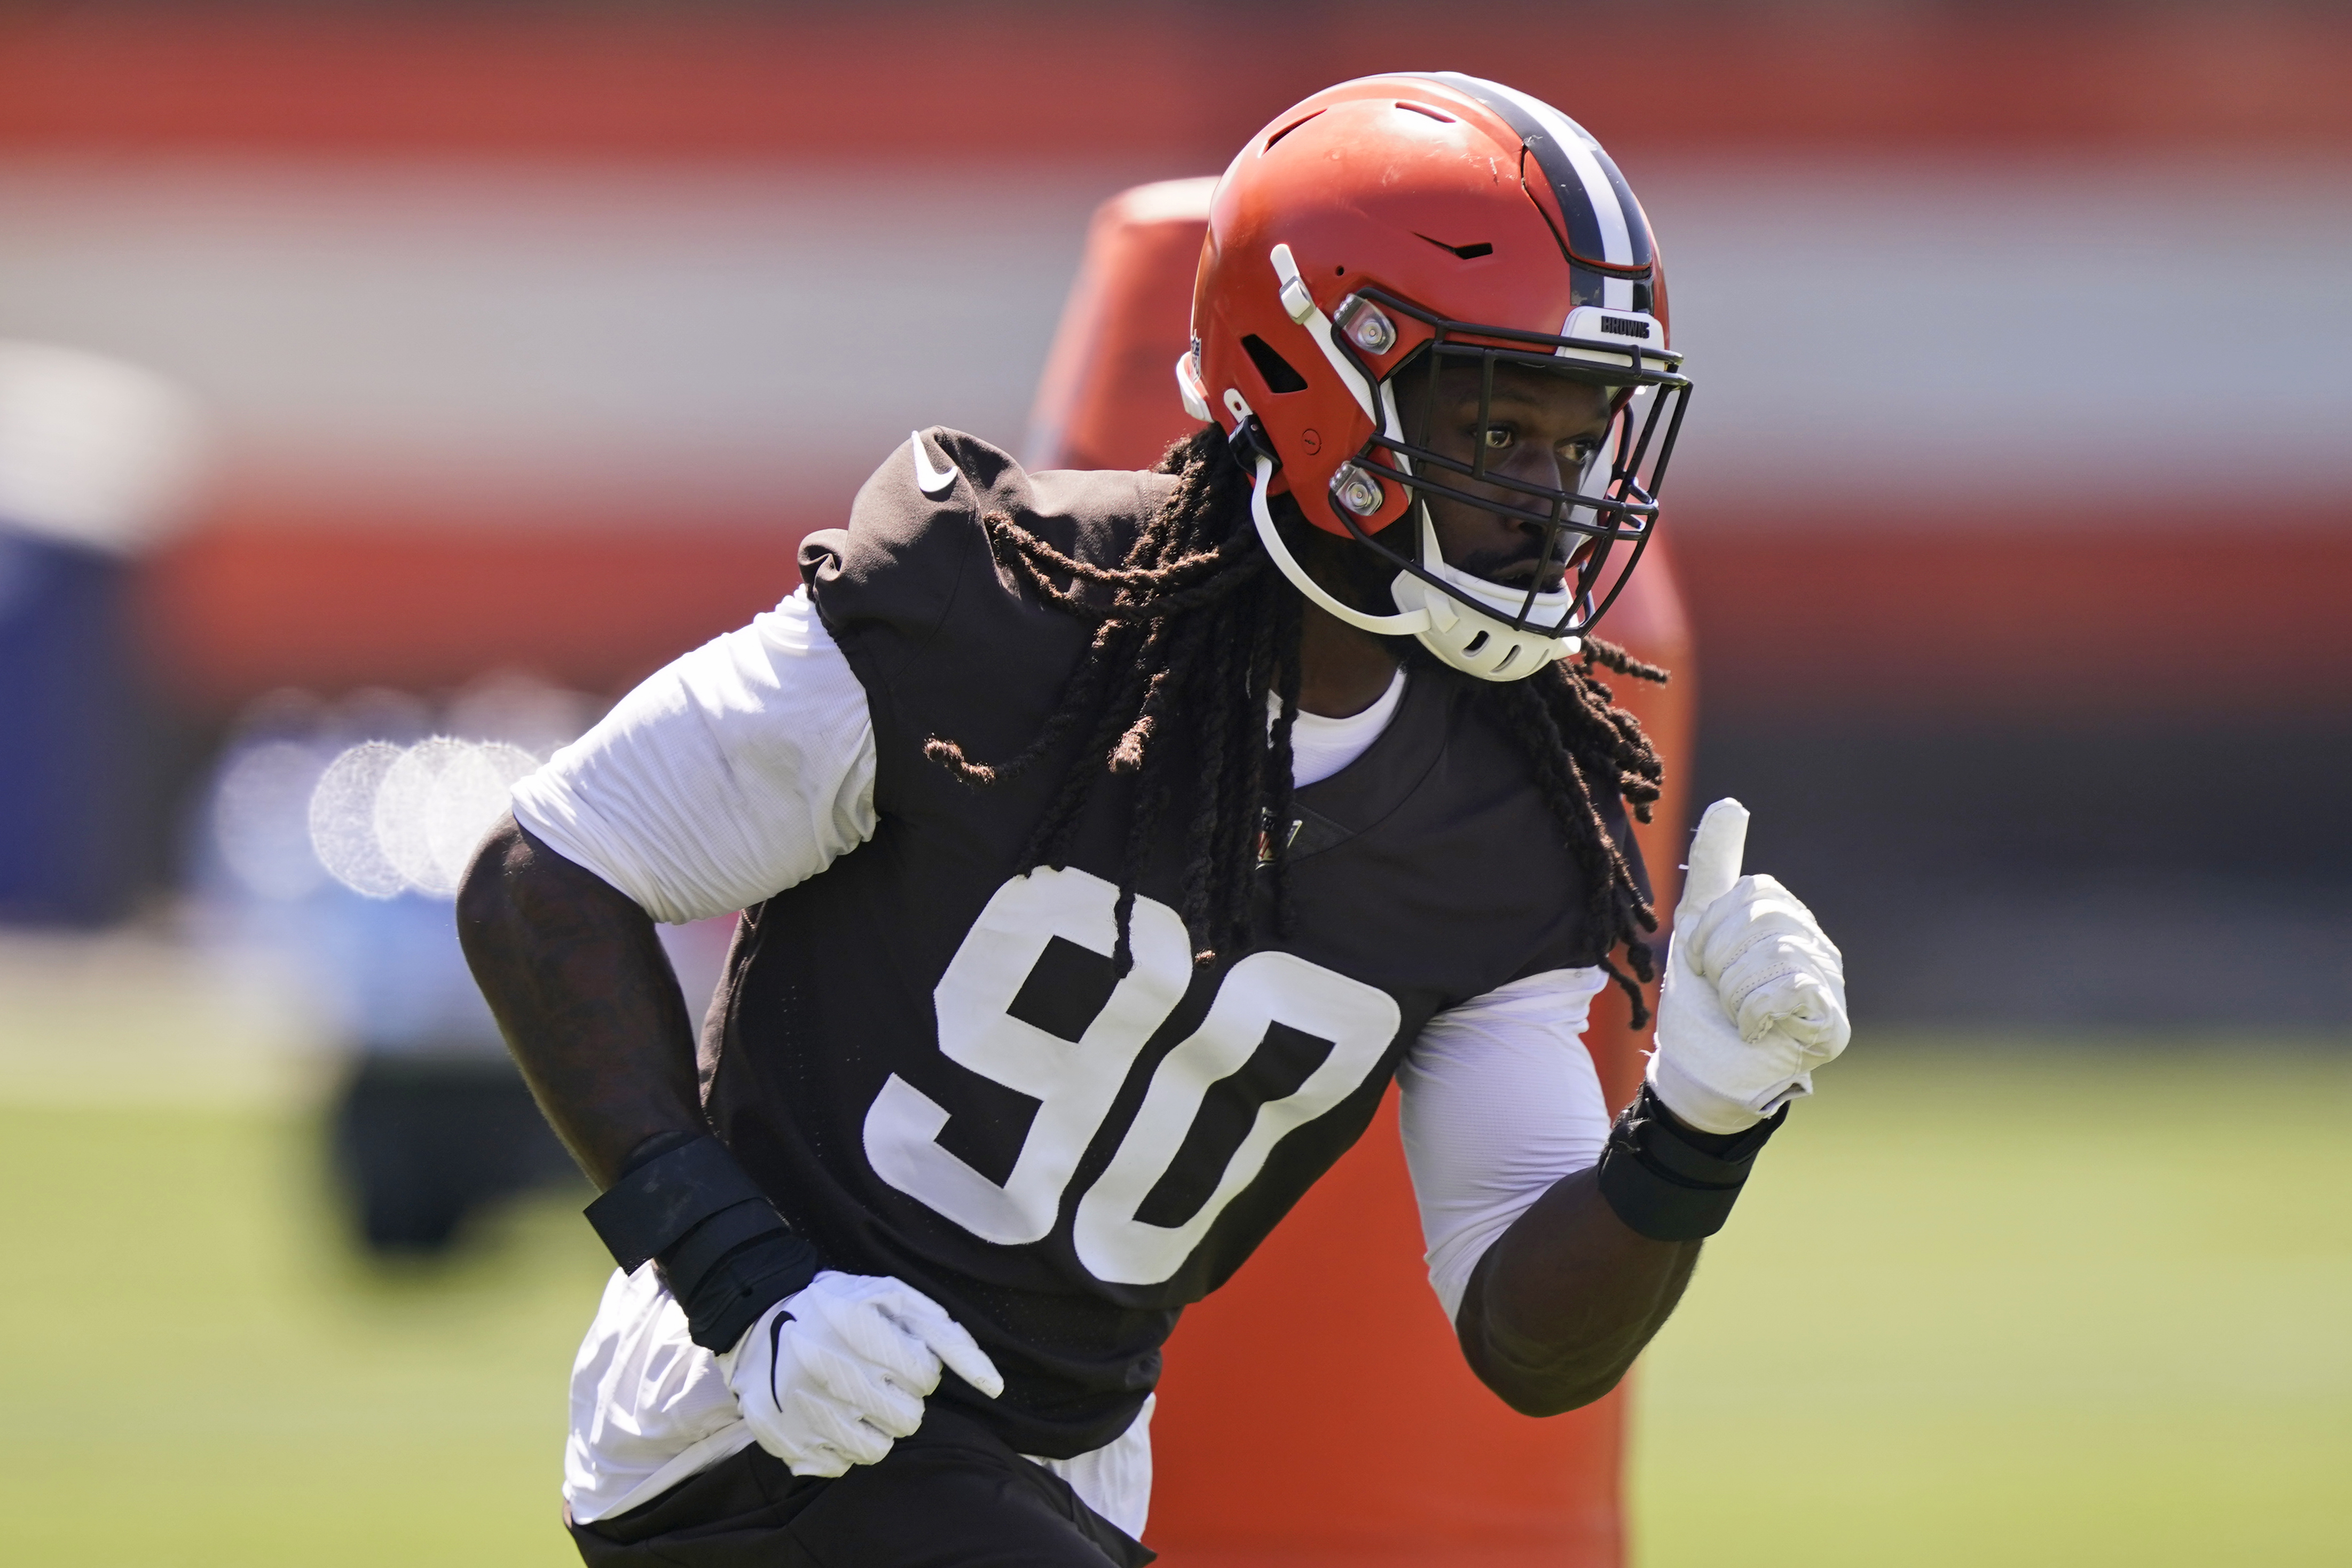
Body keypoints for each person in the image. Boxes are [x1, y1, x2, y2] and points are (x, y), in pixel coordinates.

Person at [460, 72, 1848, 1568]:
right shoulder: (999, 606)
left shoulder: (1511, 812)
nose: (1556, 500)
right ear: (1323, 381)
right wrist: (748, 1284)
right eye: (1507, 427)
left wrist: (1697, 1125)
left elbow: (1528, 1344)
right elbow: (543, 874)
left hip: (1059, 1471)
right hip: (758, 1415)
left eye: (1581, 445)